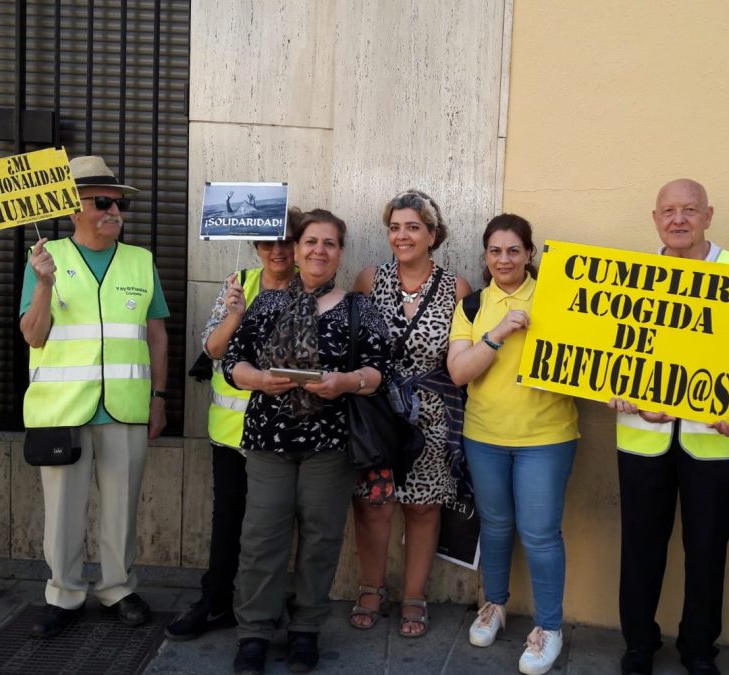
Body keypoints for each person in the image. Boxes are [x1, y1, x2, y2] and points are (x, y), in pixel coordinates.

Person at [609, 179, 729, 675]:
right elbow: (603, 363)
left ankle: (699, 649)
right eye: (668, 210)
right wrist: (614, 395)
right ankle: (638, 644)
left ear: (709, 214)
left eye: (689, 210)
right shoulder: (631, 278)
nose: (678, 219)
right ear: (655, 217)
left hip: (716, 443)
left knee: (707, 552)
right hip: (642, 441)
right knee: (640, 549)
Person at [223, 209, 391, 675]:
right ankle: (255, 631)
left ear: (340, 252)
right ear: (296, 250)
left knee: (320, 539)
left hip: (331, 444)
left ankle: (306, 629)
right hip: (268, 440)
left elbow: (380, 371)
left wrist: (346, 381)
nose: (319, 250)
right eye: (310, 241)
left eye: (329, 243)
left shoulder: (360, 307)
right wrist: (257, 378)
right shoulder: (265, 304)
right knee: (262, 538)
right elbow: (230, 363)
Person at [19, 155, 169, 638]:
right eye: (102, 202)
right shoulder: (46, 260)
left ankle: (118, 588)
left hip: (125, 406)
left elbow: (157, 334)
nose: (114, 211)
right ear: (73, 209)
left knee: (122, 507)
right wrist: (43, 286)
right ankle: (63, 593)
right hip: (63, 409)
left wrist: (159, 397)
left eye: (118, 203)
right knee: (62, 510)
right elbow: (33, 336)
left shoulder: (140, 261)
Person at [447, 214, 579, 675]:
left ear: (530, 254)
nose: (504, 259)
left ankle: (549, 628)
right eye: (495, 251)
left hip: (546, 437)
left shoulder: (556, 298)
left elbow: (588, 360)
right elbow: (459, 372)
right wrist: (498, 333)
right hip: (484, 435)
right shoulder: (473, 305)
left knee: (541, 534)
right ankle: (495, 606)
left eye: (514, 250)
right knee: (496, 526)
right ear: (485, 257)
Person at [164, 219, 298, 641]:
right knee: (228, 521)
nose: (277, 251)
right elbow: (213, 348)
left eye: (286, 242)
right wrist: (235, 314)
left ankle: (267, 604)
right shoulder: (239, 282)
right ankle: (215, 601)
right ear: (255, 245)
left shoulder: (309, 287)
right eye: (266, 242)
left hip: (282, 433)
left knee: (275, 524)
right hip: (232, 432)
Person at [349, 189, 472, 638]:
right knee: (374, 505)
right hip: (378, 415)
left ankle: (414, 596)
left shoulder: (456, 288)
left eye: (413, 227)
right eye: (395, 227)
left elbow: (462, 356)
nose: (402, 236)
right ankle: (370, 588)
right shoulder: (369, 279)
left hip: (432, 417)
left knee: (422, 508)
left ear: (432, 234)